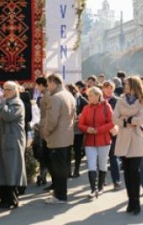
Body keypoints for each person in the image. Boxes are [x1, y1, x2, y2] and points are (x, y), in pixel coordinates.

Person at [113, 76, 143, 215]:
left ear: (133, 85)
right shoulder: (120, 100)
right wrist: (129, 120)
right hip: (123, 139)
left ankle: (137, 201)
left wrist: (126, 119)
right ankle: (130, 200)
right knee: (127, 172)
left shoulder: (142, 101)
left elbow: (140, 120)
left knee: (135, 171)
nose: (125, 86)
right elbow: (114, 118)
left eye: (127, 84)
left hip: (137, 139)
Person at [0, 81, 27, 209]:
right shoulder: (8, 102)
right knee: (2, 169)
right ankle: (4, 199)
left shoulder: (17, 103)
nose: (4, 92)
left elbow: (8, 116)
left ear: (13, 91)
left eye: (7, 89)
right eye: (4, 89)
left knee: (11, 170)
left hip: (12, 141)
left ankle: (12, 200)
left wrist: (2, 103)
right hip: (3, 140)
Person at [44, 73, 76, 204]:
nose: (48, 87)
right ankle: (60, 193)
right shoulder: (69, 95)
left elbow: (52, 120)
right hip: (67, 136)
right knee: (63, 167)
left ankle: (60, 196)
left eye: (48, 84)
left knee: (58, 168)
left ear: (52, 83)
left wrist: (46, 132)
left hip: (57, 137)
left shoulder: (56, 97)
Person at [78, 86, 114, 199]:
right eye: (88, 95)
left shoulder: (106, 106)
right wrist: (87, 129)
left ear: (98, 96)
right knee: (91, 165)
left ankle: (100, 187)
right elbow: (80, 124)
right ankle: (93, 189)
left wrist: (98, 130)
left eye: (91, 95)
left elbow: (112, 123)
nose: (88, 97)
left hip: (103, 140)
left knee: (102, 163)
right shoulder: (86, 108)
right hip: (90, 141)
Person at [102, 80, 122, 189]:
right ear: (103, 89)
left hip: (114, 131)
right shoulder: (99, 100)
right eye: (107, 88)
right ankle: (102, 180)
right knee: (102, 157)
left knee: (114, 157)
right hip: (102, 132)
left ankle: (116, 180)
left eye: (111, 88)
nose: (109, 90)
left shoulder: (118, 101)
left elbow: (121, 115)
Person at [67, 83, 88, 178]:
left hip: (78, 129)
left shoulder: (81, 100)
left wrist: (82, 116)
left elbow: (88, 109)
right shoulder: (65, 99)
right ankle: (68, 171)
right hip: (67, 129)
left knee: (77, 150)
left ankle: (76, 169)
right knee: (68, 150)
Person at [34, 77, 50, 187]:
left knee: (44, 153)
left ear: (41, 85)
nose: (36, 88)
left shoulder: (47, 95)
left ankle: (44, 174)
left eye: (37, 85)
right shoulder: (44, 95)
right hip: (42, 126)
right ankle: (43, 174)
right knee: (42, 153)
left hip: (46, 128)